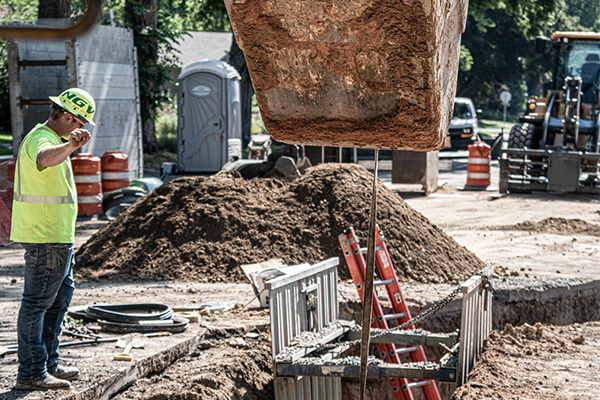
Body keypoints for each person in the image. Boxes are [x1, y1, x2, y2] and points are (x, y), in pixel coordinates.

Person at [10, 88, 96, 391]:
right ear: (70, 117)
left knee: (58, 302)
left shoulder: (55, 140)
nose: (81, 129)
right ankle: (31, 370)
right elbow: (45, 159)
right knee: (36, 305)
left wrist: (68, 146)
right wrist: (71, 147)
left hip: (57, 237)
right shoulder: (41, 139)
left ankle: (48, 363)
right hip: (45, 237)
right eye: (80, 122)